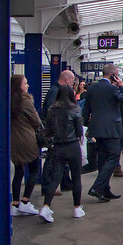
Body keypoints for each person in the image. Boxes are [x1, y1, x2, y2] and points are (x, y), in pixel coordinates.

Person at [82, 64, 123, 202]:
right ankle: (97, 187)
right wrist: (122, 86)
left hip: (97, 129)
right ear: (113, 75)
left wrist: (85, 125)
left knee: (103, 159)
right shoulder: (113, 89)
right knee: (114, 157)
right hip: (111, 128)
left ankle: (105, 190)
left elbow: (86, 109)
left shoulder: (91, 88)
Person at [39, 86, 85, 223]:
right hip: (72, 146)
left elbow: (48, 132)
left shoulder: (51, 110)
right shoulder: (75, 109)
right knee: (76, 178)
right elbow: (79, 131)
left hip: (58, 147)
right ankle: (77, 208)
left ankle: (46, 206)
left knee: (55, 178)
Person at [40, 69, 76, 197]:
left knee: (60, 158)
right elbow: (52, 113)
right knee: (51, 159)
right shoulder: (56, 92)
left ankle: (65, 182)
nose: (73, 84)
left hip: (58, 131)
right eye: (72, 81)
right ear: (67, 80)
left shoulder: (55, 90)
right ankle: (47, 186)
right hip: (55, 132)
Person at [10, 75, 42, 216]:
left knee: (18, 172)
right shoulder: (26, 101)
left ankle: (15, 204)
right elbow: (36, 121)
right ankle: (25, 201)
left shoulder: (8, 100)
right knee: (34, 170)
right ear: (19, 86)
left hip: (14, 141)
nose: (27, 86)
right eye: (26, 83)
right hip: (28, 140)